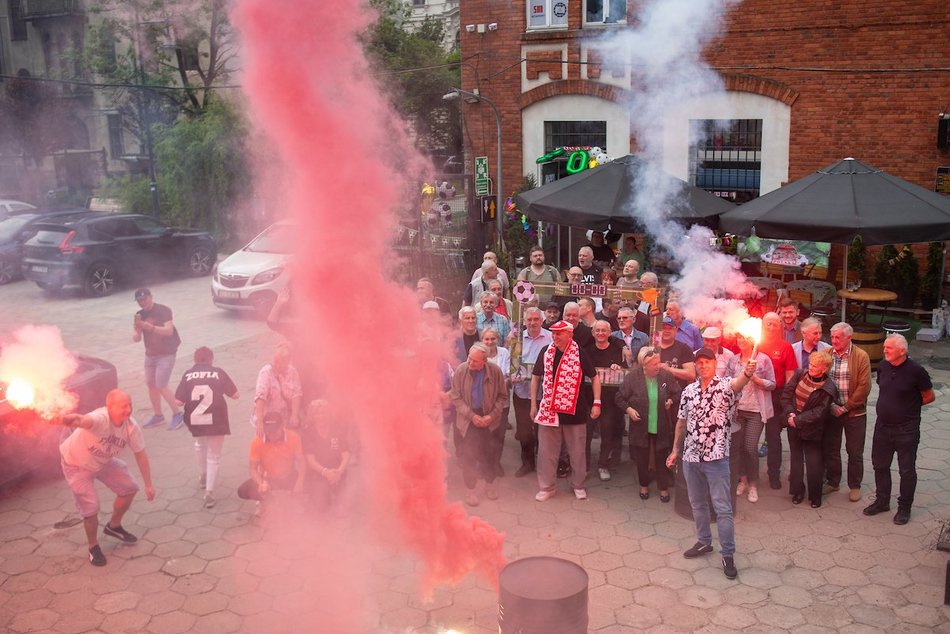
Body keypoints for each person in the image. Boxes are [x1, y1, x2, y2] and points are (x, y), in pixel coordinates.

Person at [667, 348, 756, 580]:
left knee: (723, 509)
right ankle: (704, 541)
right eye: (699, 362)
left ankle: (728, 554)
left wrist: (747, 373)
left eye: (707, 362)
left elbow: (739, 383)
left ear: (715, 364)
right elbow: (681, 423)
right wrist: (675, 450)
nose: (703, 365)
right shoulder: (689, 391)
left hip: (716, 459)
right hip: (691, 457)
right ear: (696, 365)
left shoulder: (725, 386)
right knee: (697, 503)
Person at [56, 389, 155, 566]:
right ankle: (93, 547)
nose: (129, 409)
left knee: (129, 487)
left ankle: (114, 526)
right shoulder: (100, 418)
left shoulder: (131, 427)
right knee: (91, 507)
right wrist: (66, 419)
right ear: (109, 407)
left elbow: (141, 455)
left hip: (102, 461)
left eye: (130, 405)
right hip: (76, 465)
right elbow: (82, 420)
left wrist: (148, 484)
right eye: (123, 406)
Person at [863, 334, 935, 525]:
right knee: (880, 466)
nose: (884, 350)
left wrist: (907, 408)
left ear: (902, 351)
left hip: (906, 430)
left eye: (889, 348)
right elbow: (884, 388)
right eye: (884, 347)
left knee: (906, 470)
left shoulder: (917, 371)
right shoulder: (883, 366)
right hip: (882, 427)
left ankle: (904, 508)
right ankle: (882, 501)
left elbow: (929, 396)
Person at [531, 320, 601, 501]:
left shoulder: (580, 353)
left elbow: (594, 378)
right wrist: (533, 405)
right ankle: (547, 487)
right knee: (546, 453)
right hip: (549, 411)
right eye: (554, 333)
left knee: (577, 453)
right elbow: (535, 377)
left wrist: (597, 403)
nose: (555, 337)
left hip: (575, 412)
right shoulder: (546, 352)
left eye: (559, 333)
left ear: (569, 335)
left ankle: (578, 485)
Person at [174, 346, 240, 508]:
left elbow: (178, 402)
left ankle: (203, 475)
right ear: (211, 359)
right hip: (217, 419)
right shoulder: (218, 372)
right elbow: (236, 395)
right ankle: (209, 493)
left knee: (199, 443)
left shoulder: (188, 374)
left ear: (195, 360)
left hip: (195, 419)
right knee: (214, 455)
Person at [617, 346, 679, 501]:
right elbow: (619, 397)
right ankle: (643, 485)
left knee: (662, 456)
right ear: (644, 365)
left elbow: (677, 392)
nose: (658, 366)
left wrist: (670, 400)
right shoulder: (633, 377)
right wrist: (629, 410)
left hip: (661, 424)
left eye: (659, 362)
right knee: (642, 457)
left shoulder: (665, 376)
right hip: (640, 425)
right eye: (654, 364)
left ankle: (663, 488)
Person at [450, 343, 508, 506]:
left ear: (484, 361)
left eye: (475, 361)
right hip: (468, 418)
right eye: (469, 358)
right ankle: (471, 490)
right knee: (469, 455)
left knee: (490, 454)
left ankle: (489, 485)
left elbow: (502, 396)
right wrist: (472, 415)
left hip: (489, 418)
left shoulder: (495, 371)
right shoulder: (461, 370)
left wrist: (492, 415)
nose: (470, 362)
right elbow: (455, 397)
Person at [782, 350, 838, 508]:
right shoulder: (800, 374)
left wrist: (798, 420)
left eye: (815, 366)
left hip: (812, 428)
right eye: (811, 364)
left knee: (814, 462)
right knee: (796, 460)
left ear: (824, 369)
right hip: (793, 422)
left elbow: (819, 412)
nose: (811, 367)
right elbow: (786, 395)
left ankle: (815, 496)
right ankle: (797, 491)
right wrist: (790, 414)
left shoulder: (828, 387)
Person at [823, 322, 871, 502]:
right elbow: (820, 380)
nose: (834, 341)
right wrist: (830, 406)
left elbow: (864, 386)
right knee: (832, 448)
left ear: (849, 338)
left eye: (838, 337)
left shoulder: (861, 356)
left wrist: (846, 407)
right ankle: (833, 481)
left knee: (854, 451)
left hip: (854, 412)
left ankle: (855, 486)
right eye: (832, 337)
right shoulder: (827, 353)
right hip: (832, 410)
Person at [726, 332, 775, 504]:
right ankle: (743, 480)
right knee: (738, 447)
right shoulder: (733, 360)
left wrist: (756, 379)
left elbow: (772, 384)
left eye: (745, 338)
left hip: (756, 411)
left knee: (750, 447)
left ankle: (753, 484)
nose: (741, 341)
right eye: (739, 337)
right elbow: (727, 383)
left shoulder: (764, 359)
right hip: (738, 410)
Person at [132, 288, 183, 430]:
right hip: (150, 355)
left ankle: (178, 414)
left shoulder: (163, 310)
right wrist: (138, 330)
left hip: (166, 354)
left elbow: (169, 331)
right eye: (139, 301)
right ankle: (158, 416)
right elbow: (136, 338)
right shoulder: (139, 315)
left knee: (161, 385)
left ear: (151, 297)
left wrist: (150, 327)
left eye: (145, 299)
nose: (143, 302)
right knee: (151, 385)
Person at [583, 320, 627, 480]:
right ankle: (585, 466)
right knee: (586, 435)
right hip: (589, 401)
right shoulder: (586, 351)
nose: (600, 333)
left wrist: (619, 368)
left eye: (604, 330)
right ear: (593, 333)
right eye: (597, 330)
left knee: (607, 434)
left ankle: (603, 465)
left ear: (609, 333)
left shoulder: (618, 350)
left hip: (610, 401)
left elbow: (625, 371)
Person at [759, 312, 798, 490]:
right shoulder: (755, 343)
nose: (771, 327)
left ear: (780, 326)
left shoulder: (785, 347)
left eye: (775, 324)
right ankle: (745, 473)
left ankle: (773, 474)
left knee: (773, 437)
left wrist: (786, 399)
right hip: (755, 394)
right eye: (768, 323)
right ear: (762, 325)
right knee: (749, 436)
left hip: (775, 395)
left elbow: (790, 376)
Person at [237, 412, 306, 512]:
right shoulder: (257, 441)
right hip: (268, 479)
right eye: (268, 431)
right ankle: (267, 500)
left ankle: (295, 499)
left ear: (282, 426)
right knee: (243, 490)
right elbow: (252, 469)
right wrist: (261, 483)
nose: (271, 435)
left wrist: (300, 481)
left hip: (289, 476)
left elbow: (301, 462)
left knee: (312, 484)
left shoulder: (293, 437)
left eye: (275, 431)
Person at [511, 307, 552, 478]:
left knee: (544, 431)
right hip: (522, 392)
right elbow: (512, 363)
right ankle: (527, 463)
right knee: (524, 431)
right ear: (525, 321)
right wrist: (513, 373)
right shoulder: (517, 339)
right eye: (529, 320)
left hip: (544, 394)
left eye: (536, 319)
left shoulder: (551, 338)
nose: (533, 323)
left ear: (542, 321)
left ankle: (544, 464)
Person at [303, 400, 351, 512]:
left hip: (337, 471)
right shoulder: (308, 432)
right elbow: (310, 460)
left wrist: (339, 471)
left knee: (341, 510)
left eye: (324, 413)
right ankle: (322, 495)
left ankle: (337, 493)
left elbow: (346, 454)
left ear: (329, 414)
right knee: (320, 508)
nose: (321, 416)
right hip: (319, 472)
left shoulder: (337, 429)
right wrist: (325, 472)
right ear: (313, 416)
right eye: (317, 413)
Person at [253, 343, 303, 435]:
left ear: (288, 361)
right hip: (268, 420)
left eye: (281, 362)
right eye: (275, 361)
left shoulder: (293, 372)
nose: (277, 364)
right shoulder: (266, 372)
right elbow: (260, 397)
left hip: (285, 420)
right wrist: (260, 422)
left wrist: (294, 415)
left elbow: (296, 394)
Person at [481, 327, 511, 477]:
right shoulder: (478, 353)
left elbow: (508, 374)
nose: (490, 342)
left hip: (501, 402)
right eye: (486, 339)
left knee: (499, 434)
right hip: (484, 402)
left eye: (493, 339)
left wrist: (501, 384)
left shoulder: (504, 353)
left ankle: (496, 463)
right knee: (484, 435)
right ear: (482, 340)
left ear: (497, 340)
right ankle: (485, 464)